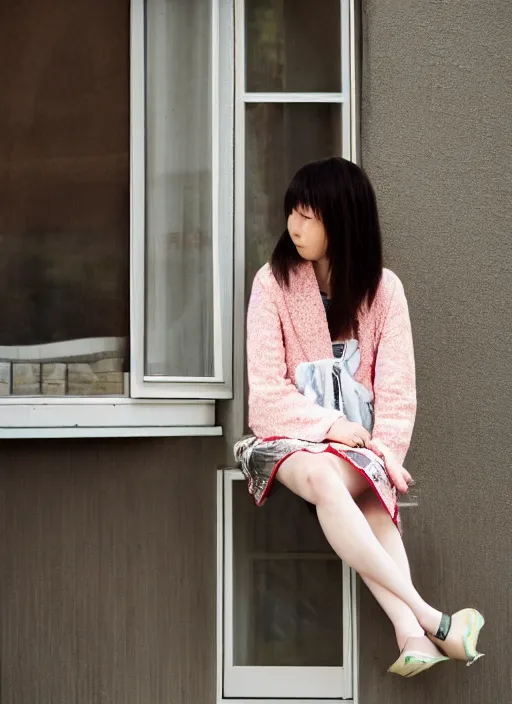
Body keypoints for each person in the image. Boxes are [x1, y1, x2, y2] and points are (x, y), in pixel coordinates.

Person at [234, 156, 484, 677]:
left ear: (342, 220)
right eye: (291, 214)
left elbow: (398, 393)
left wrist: (385, 456)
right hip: (289, 440)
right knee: (326, 474)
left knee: (368, 492)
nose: (293, 228)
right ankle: (432, 618)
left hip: (359, 446)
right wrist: (330, 427)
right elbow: (265, 395)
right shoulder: (271, 283)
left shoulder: (385, 290)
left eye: (308, 216)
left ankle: (413, 636)